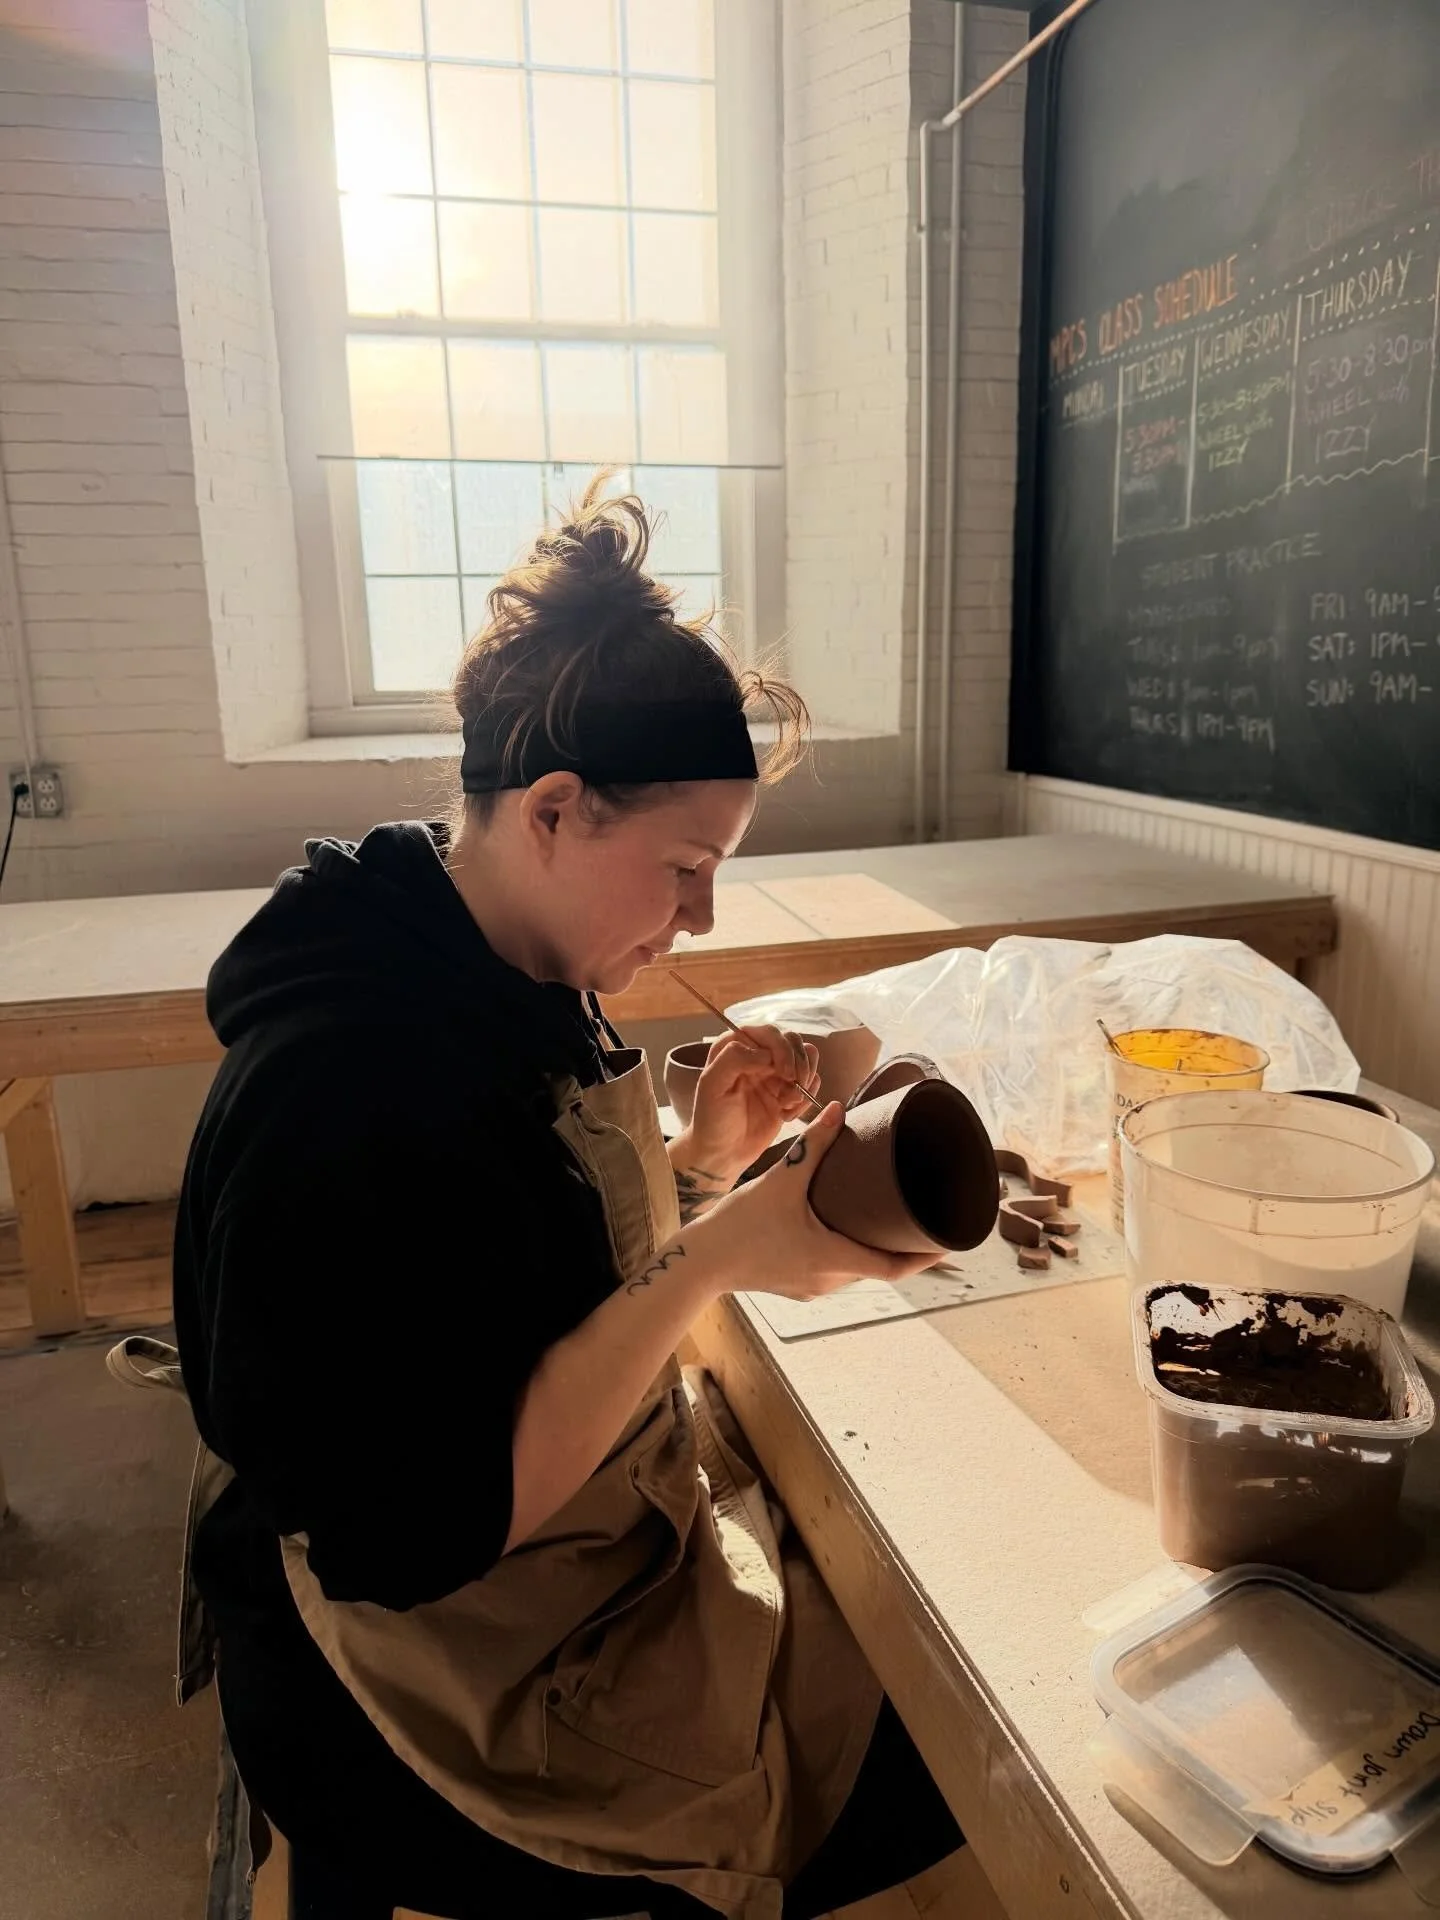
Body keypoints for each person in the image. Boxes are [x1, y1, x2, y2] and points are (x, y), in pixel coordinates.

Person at [171, 480, 963, 1919]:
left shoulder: (493, 961)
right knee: (934, 1740)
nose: (703, 920)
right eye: (685, 868)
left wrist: (698, 1163)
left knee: (900, 1592)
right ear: (551, 811)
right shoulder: (348, 1084)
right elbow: (424, 1527)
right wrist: (716, 1257)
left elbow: (502, 1275)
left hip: (506, 1557)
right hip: (409, 1667)